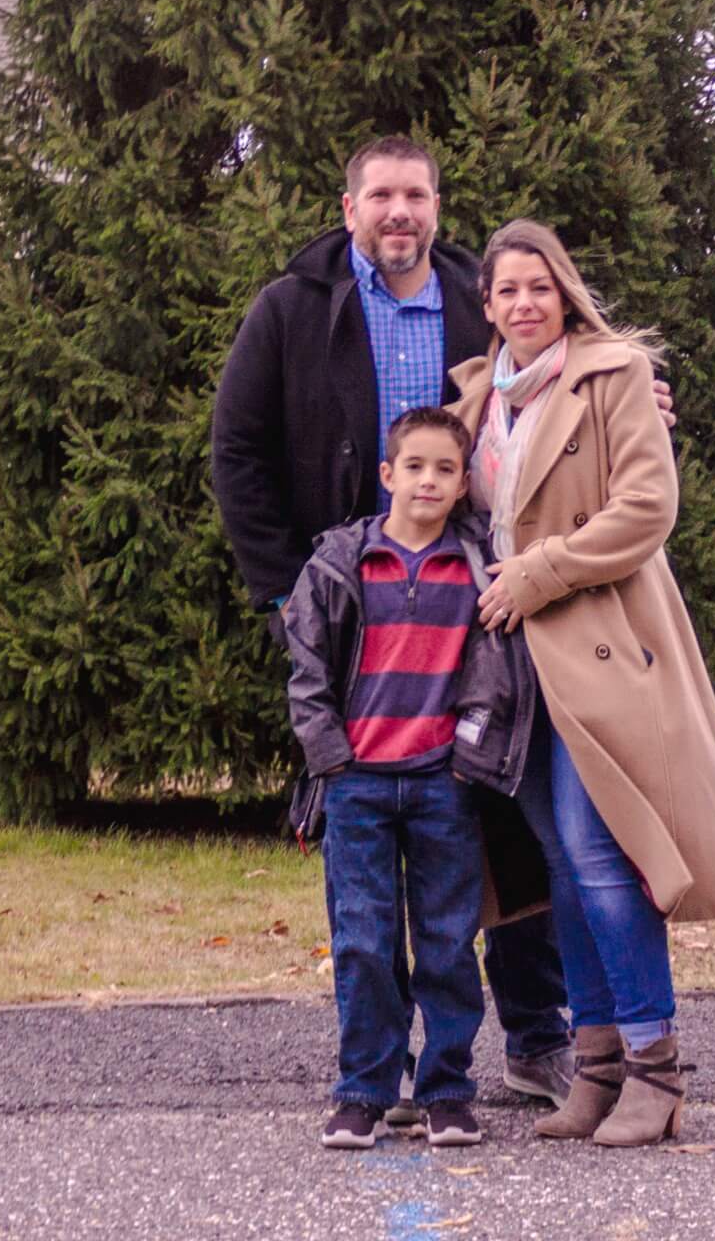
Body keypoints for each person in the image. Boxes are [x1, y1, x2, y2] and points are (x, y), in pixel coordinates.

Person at [215, 136, 600, 1106]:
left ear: (436, 204)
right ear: (348, 207)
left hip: (477, 600)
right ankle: (376, 1064)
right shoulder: (292, 307)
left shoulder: (476, 293)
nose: (399, 210)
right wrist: (284, 597)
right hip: (358, 616)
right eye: (380, 193)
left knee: (502, 818)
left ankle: (534, 1038)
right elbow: (238, 452)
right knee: (369, 840)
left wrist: (642, 393)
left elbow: (565, 371)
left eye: (415, 193)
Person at [452, 218, 715, 1146]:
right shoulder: (472, 397)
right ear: (489, 305)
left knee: (599, 854)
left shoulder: (612, 372)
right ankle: (596, 1074)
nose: (523, 304)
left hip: (598, 643)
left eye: (539, 287)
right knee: (558, 868)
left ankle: (656, 1073)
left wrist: (538, 572)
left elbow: (647, 509)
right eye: (506, 291)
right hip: (512, 666)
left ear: (564, 292)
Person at [282, 407, 491, 1150]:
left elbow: (495, 674)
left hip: (444, 784)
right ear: (387, 474)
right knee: (364, 941)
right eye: (415, 467)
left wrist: (470, 759)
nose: (429, 480)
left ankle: (447, 1090)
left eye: (445, 469)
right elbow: (305, 670)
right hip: (359, 784)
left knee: (446, 943)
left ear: (464, 482)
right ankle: (364, 1090)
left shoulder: (477, 566)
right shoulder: (340, 563)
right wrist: (331, 758)